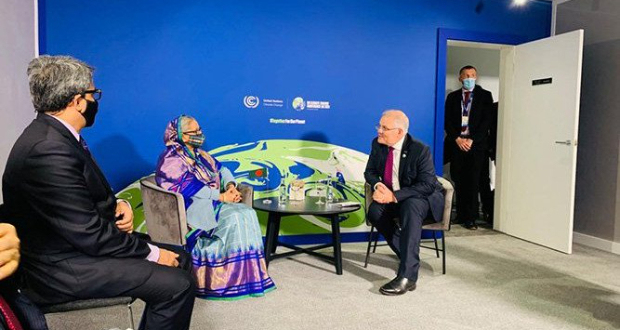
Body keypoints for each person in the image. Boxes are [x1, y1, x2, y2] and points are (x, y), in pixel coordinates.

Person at [2, 55, 195, 330]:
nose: (96, 101)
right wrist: (153, 254)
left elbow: (79, 197)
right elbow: (90, 234)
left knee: (181, 257)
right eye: (94, 94)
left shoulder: (58, 136)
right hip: (61, 267)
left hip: (76, 246)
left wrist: (119, 205)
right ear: (77, 100)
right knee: (178, 283)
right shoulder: (47, 149)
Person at [155, 115, 276, 300]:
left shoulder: (201, 155)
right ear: (181, 135)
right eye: (194, 132)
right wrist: (220, 196)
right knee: (235, 217)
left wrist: (230, 187)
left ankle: (248, 278)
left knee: (247, 212)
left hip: (215, 201)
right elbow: (188, 188)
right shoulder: (170, 159)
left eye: (199, 130)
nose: (199, 134)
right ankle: (227, 280)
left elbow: (223, 170)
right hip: (192, 206)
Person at [364, 110, 444, 296]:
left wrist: (393, 196)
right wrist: (378, 186)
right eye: (379, 126)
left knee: (411, 207)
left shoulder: (419, 149)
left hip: (420, 199)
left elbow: (427, 185)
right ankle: (407, 253)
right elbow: (370, 172)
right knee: (374, 212)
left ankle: (408, 276)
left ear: (400, 132)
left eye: (385, 128)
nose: (379, 131)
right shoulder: (378, 144)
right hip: (392, 196)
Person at [444, 65, 493, 230]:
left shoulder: (485, 96)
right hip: (457, 144)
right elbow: (447, 121)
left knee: (474, 181)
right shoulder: (452, 97)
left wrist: (472, 140)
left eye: (472, 75)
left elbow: (486, 121)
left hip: (476, 146)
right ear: (460, 78)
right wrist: (457, 138)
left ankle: (471, 218)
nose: (469, 78)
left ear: (476, 77)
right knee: (458, 179)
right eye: (466, 75)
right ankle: (461, 215)